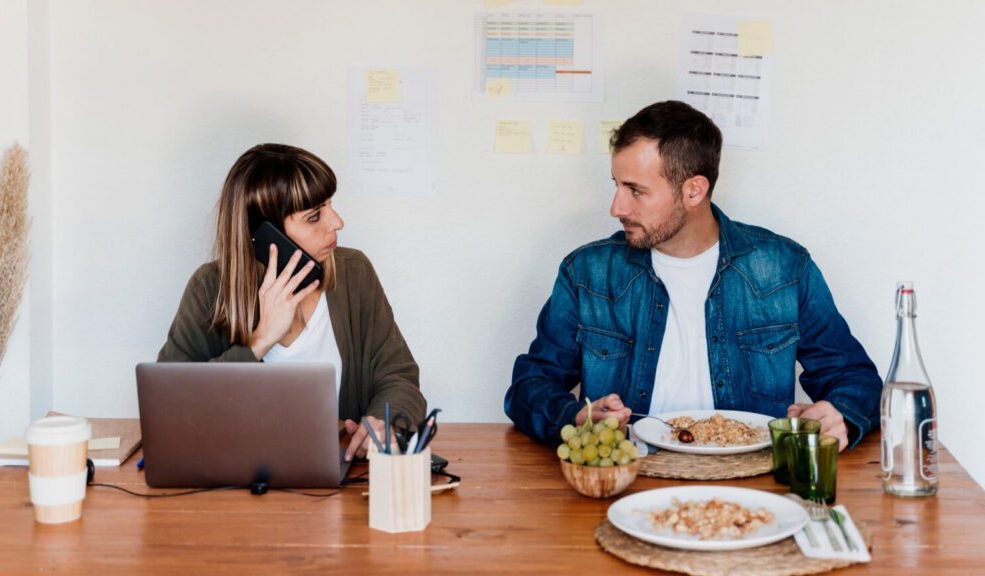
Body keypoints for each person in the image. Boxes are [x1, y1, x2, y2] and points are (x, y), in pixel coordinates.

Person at [505, 101, 882, 452]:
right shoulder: (587, 273)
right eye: (617, 185)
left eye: (636, 190)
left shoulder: (784, 268)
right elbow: (529, 387)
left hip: (752, 486)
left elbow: (855, 377)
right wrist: (574, 416)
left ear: (694, 190)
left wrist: (841, 415)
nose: (616, 207)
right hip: (629, 480)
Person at [158, 143, 426, 462]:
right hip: (236, 484)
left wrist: (384, 422)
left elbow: (398, 375)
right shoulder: (209, 290)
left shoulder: (356, 274)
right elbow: (169, 409)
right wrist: (259, 341)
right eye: (314, 216)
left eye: (329, 206)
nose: (337, 222)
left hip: (343, 484)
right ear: (264, 235)